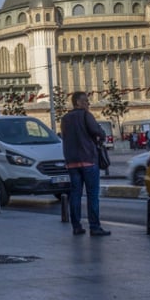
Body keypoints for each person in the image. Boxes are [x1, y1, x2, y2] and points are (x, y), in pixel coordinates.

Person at [60, 91, 110, 236]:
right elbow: (99, 133)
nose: (88, 104)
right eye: (86, 101)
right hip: (88, 160)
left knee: (75, 194)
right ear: (78, 103)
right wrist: (100, 132)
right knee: (92, 195)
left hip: (71, 162)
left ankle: (76, 226)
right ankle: (94, 227)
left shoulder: (65, 118)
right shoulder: (85, 115)